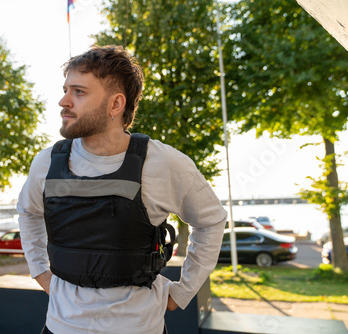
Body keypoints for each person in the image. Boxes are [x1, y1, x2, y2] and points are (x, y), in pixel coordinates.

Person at [17, 45, 227, 334]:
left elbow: (212, 220)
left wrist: (182, 292)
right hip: (59, 327)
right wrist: (40, 271)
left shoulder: (164, 163)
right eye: (66, 90)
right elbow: (28, 212)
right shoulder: (46, 163)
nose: (63, 101)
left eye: (79, 92)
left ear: (116, 105)